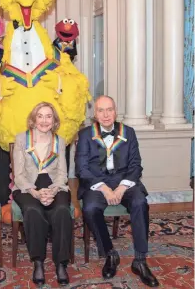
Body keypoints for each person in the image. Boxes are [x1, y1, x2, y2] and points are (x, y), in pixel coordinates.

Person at [75, 95, 159, 287]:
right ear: (94, 114)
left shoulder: (129, 132)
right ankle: (110, 254)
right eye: (101, 110)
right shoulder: (86, 134)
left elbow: (136, 165)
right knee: (90, 209)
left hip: (124, 182)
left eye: (109, 109)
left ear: (116, 111)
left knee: (140, 202)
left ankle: (140, 260)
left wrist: (122, 187)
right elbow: (82, 169)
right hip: (97, 182)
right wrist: (104, 188)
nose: (106, 115)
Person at [12, 102, 72, 286]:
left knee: (62, 209)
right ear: (33, 118)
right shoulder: (22, 139)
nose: (44, 120)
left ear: (54, 121)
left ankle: (61, 263)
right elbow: (19, 174)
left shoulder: (59, 141)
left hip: (54, 184)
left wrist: (53, 190)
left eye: (48, 116)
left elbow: (63, 173)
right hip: (27, 186)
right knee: (32, 210)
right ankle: (38, 262)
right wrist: (36, 193)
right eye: (40, 116)